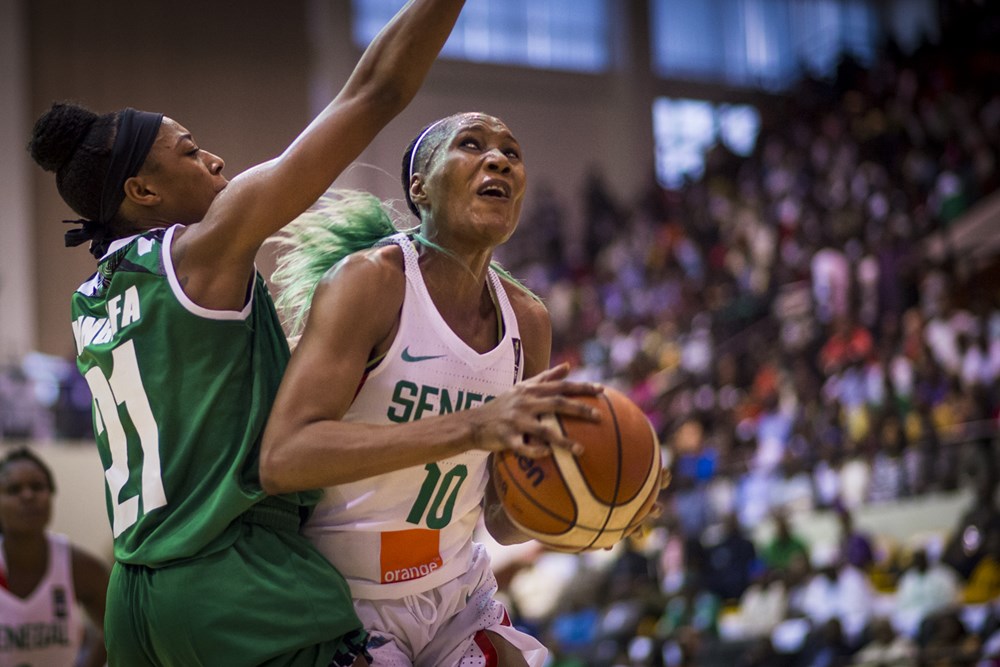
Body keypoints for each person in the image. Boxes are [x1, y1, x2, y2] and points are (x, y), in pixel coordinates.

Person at [25, 1, 466, 665]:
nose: (214, 157)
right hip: (233, 578)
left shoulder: (92, 298)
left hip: (136, 592)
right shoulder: (199, 253)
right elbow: (376, 92)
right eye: (190, 150)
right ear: (142, 191)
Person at [260, 112, 663, 665]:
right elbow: (283, 459)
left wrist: (591, 509)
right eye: (470, 145)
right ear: (419, 187)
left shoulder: (529, 320)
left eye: (511, 153)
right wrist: (469, 427)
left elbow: (500, 517)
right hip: (342, 594)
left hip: (457, 591)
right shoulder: (370, 282)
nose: (497, 159)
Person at [0, 447, 109, 667]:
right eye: (14, 489)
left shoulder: (78, 566)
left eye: (38, 487)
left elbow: (117, 626)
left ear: (51, 495)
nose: (28, 496)